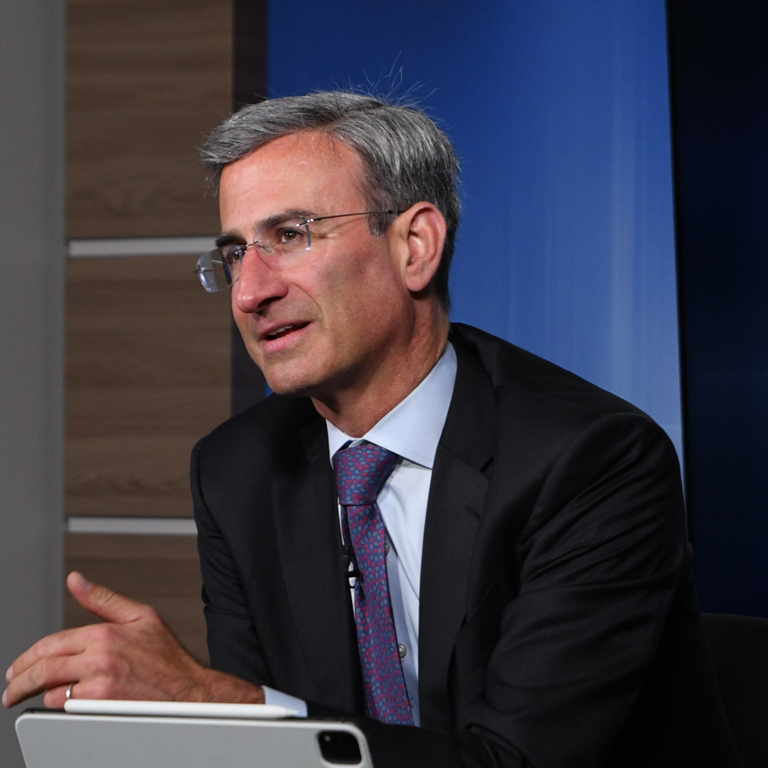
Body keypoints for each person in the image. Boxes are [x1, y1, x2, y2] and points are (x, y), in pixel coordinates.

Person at [4, 92, 739, 767]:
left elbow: (514, 763)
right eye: (235, 254)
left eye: (290, 235)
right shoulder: (235, 470)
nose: (252, 291)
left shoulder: (594, 459)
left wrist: (208, 701)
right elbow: (251, 750)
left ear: (414, 245)